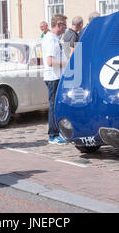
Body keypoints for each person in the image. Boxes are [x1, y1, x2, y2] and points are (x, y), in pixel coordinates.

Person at [42, 14, 68, 145]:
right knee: (53, 106)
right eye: (64, 25)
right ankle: (53, 135)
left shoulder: (55, 38)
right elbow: (50, 61)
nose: (65, 28)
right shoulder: (51, 39)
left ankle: (57, 132)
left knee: (56, 105)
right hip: (53, 77)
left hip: (56, 76)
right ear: (59, 25)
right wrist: (66, 64)